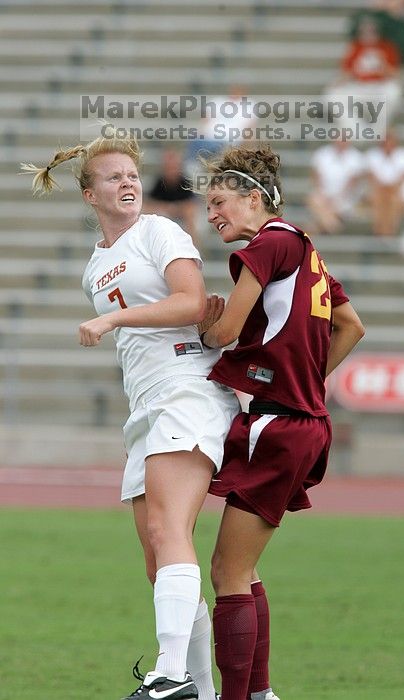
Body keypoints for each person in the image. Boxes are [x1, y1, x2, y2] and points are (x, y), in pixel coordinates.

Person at [21, 131, 240, 700]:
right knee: (158, 558)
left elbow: (192, 302)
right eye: (114, 177)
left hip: (186, 387)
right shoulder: (96, 266)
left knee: (171, 531)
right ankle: (201, 689)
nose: (127, 183)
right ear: (89, 195)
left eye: (131, 175)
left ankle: (171, 672)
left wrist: (112, 322)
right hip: (148, 404)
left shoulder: (158, 230)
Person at [195, 144, 365, 700]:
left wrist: (205, 323)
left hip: (280, 424)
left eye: (220, 201)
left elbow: (224, 332)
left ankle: (237, 697)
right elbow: (352, 326)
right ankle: (260, 693)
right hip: (304, 422)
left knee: (225, 572)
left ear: (254, 197)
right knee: (244, 570)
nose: (213, 213)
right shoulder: (306, 249)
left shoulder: (269, 244)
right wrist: (310, 380)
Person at [365, 128, 404, 236]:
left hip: (399, 195)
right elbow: (371, 177)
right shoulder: (372, 155)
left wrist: (388, 191)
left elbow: (403, 178)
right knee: (381, 200)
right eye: (386, 141)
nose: (388, 144)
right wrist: (385, 191)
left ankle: (382, 232)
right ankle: (387, 233)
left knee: (392, 201)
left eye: (391, 141)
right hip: (379, 194)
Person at [143, 147, 201, 250]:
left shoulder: (185, 182)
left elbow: (191, 205)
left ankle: (192, 248)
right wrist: (168, 208)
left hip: (182, 218)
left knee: (190, 216)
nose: (171, 170)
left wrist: (175, 208)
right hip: (164, 216)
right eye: (168, 166)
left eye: (173, 166)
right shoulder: (159, 182)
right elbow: (148, 205)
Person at [307, 139, 366, 234]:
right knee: (314, 200)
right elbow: (316, 177)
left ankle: (315, 229)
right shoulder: (322, 154)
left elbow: (353, 183)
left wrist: (336, 198)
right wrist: (323, 194)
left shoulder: (356, 157)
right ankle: (333, 226)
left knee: (325, 208)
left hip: (347, 198)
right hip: (323, 197)